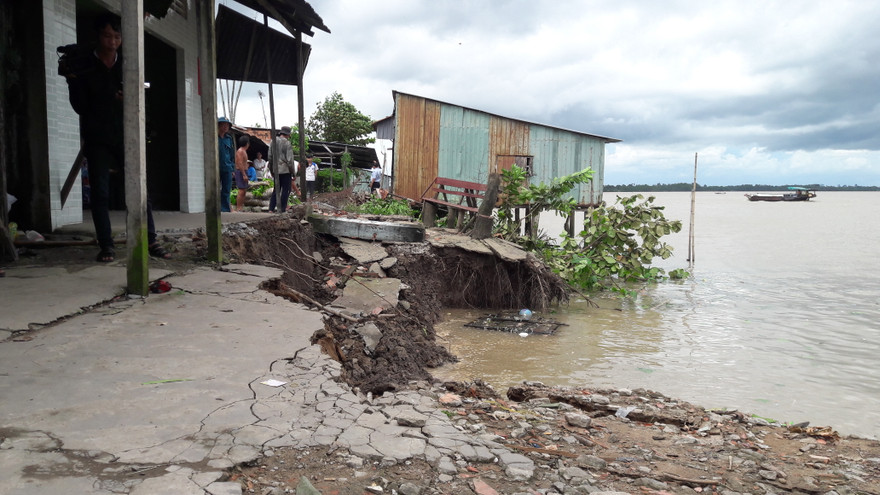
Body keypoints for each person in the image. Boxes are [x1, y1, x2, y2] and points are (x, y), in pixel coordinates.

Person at [66, 12, 169, 262]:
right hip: (98, 136)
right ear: (98, 36)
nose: (112, 41)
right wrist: (109, 97)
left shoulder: (128, 63)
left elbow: (145, 99)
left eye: (117, 36)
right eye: (107, 35)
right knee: (100, 192)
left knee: (140, 189)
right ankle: (106, 245)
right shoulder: (85, 65)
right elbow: (79, 104)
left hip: (127, 135)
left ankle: (150, 239)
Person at [268, 126, 295, 213]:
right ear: (288, 135)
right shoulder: (287, 143)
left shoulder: (273, 141)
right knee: (285, 190)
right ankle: (282, 209)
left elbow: (270, 157)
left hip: (276, 169)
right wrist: (293, 172)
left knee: (276, 189)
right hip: (285, 170)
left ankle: (271, 209)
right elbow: (290, 160)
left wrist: (271, 169)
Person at [217, 116, 234, 212]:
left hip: (227, 167)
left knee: (226, 189)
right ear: (219, 125)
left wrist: (232, 168)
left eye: (227, 125)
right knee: (215, 188)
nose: (225, 127)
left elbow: (231, 154)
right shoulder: (214, 137)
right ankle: (217, 208)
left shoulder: (229, 139)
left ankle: (225, 209)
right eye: (223, 125)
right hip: (216, 167)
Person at [234, 135, 250, 212]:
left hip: (244, 171)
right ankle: (238, 207)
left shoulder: (244, 151)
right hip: (241, 171)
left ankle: (241, 207)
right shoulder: (240, 151)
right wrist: (243, 174)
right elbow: (240, 163)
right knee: (241, 190)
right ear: (247, 143)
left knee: (244, 190)